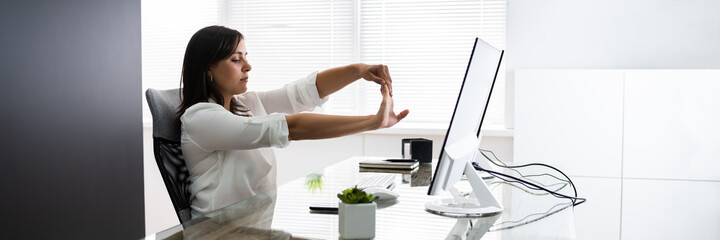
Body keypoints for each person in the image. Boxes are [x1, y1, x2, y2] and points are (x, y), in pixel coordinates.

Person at [177, 25, 409, 217]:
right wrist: (373, 122)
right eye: (236, 60)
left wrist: (359, 70)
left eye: (246, 57)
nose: (248, 66)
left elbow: (303, 92)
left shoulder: (247, 103)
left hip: (254, 226)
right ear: (208, 69)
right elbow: (293, 128)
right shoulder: (201, 118)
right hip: (215, 234)